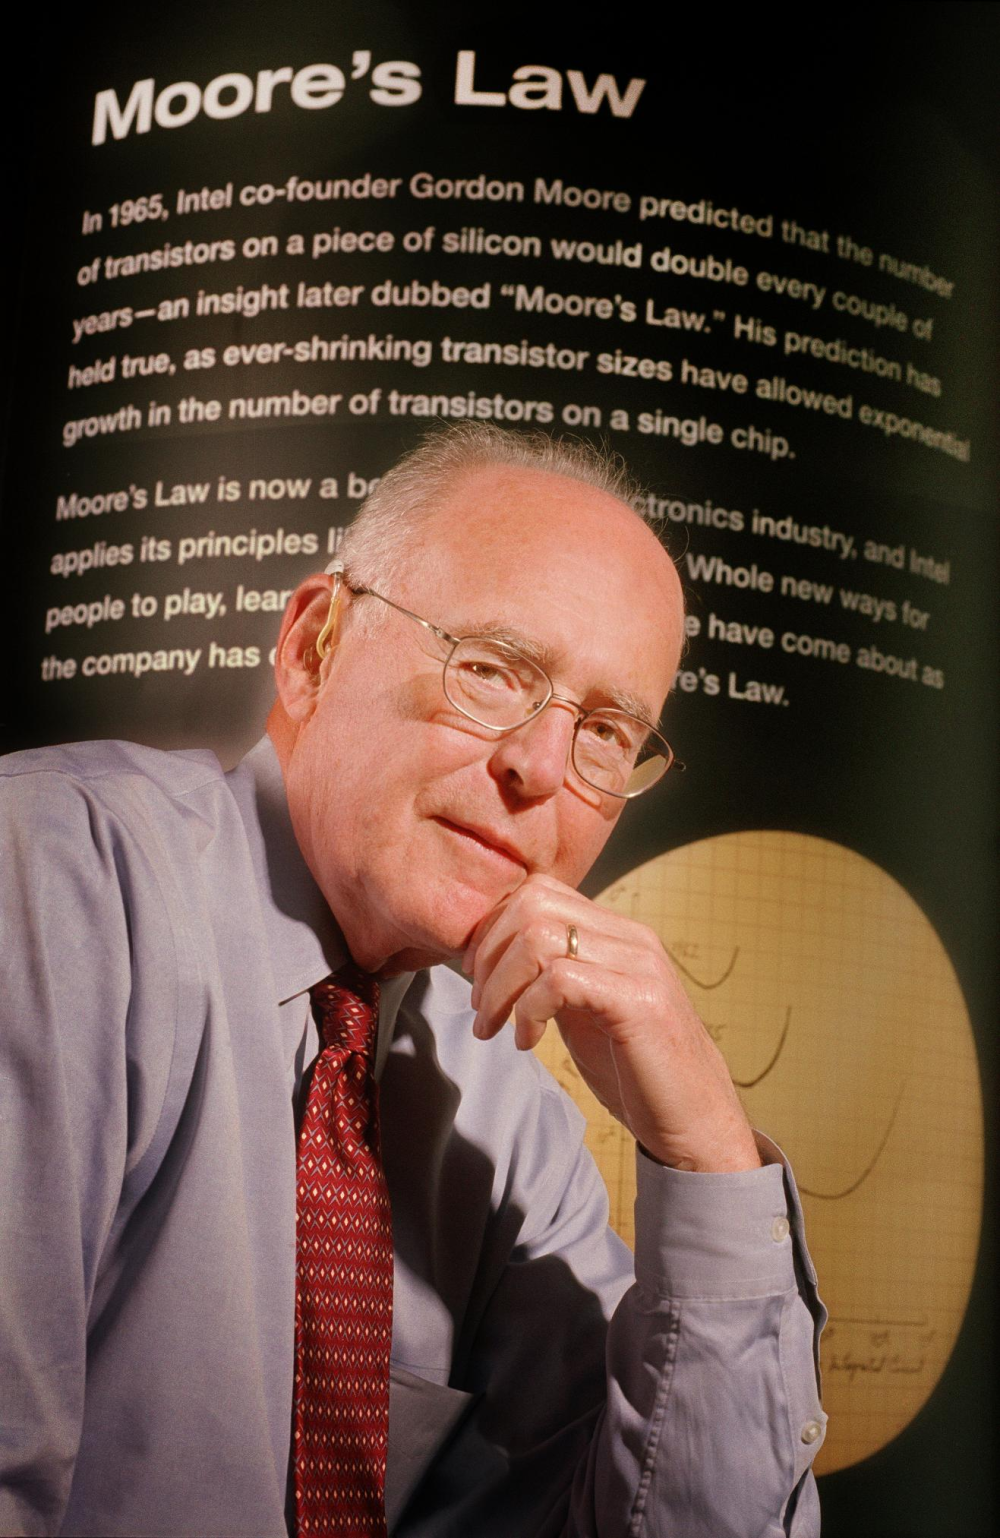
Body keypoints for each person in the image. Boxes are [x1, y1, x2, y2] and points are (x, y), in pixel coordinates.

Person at [0, 423, 826, 1537]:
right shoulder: (51, 878)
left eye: (605, 731)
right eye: (491, 669)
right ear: (313, 649)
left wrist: (711, 1153)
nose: (538, 767)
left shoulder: (511, 1119)